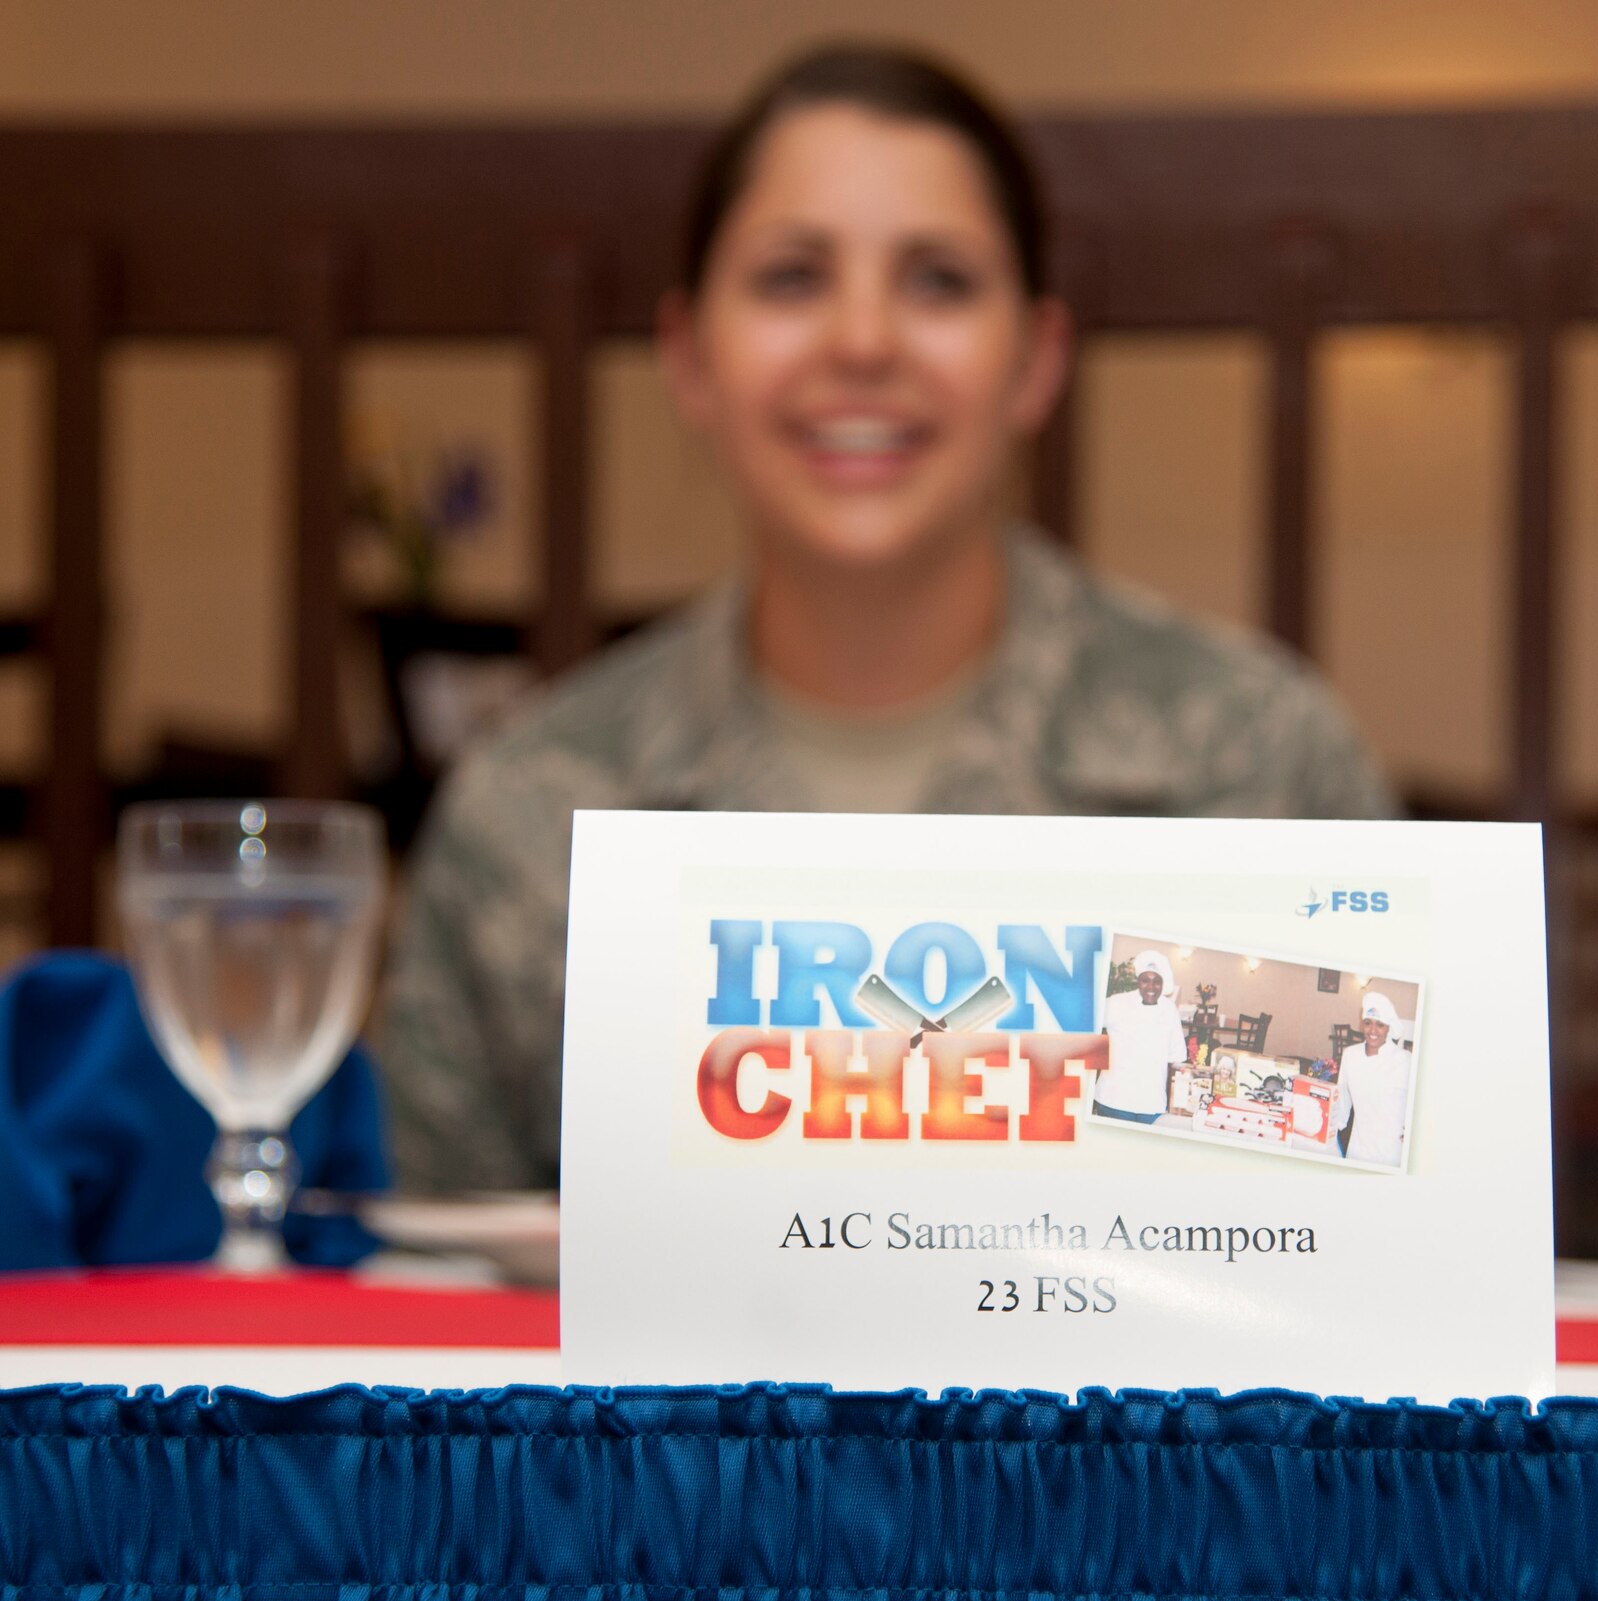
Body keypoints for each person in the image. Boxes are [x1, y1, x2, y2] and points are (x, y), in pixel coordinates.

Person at [381, 42, 1396, 1193]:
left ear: (1036, 359)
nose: (862, 343)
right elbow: (433, 1307)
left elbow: (1381, 1242)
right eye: (791, 277)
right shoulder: (533, 811)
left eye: (939, 281)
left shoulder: (1260, 769)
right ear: (690, 356)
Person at [1093, 951, 1189, 1125]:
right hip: (1114, 1098)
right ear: (1138, 981)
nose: (1151, 987)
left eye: (1157, 981)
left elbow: (1177, 1057)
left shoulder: (1169, 1010)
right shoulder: (1116, 1002)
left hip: (1151, 1102)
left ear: (1163, 984)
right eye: (1146, 980)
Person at [1332, 989, 1412, 1168]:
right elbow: (1341, 1104)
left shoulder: (1405, 1060)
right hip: (1357, 1150)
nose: (1373, 1031)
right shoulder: (1350, 1056)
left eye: (1380, 1025)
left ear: (1388, 1027)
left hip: (1392, 1153)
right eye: (1368, 1023)